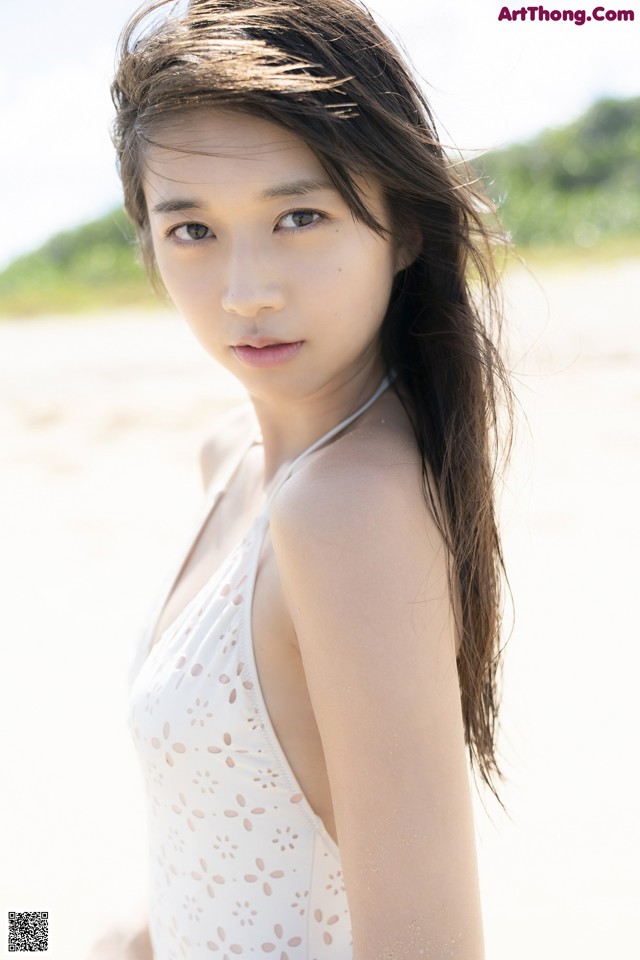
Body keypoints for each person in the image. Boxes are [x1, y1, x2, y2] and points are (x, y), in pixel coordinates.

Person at [109, 1, 513, 957]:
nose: (247, 289)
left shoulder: (348, 510)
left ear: (404, 228)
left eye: (300, 216)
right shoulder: (234, 458)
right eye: (192, 231)